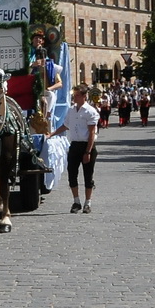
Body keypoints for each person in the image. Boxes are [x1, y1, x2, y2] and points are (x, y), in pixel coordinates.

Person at [54, 84, 99, 213]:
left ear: (84, 96)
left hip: (86, 145)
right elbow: (65, 125)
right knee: (72, 174)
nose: (75, 98)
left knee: (88, 175)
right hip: (74, 145)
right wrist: (51, 134)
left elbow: (91, 133)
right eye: (74, 95)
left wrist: (88, 152)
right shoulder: (71, 110)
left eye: (77, 95)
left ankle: (88, 202)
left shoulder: (90, 111)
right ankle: (76, 201)